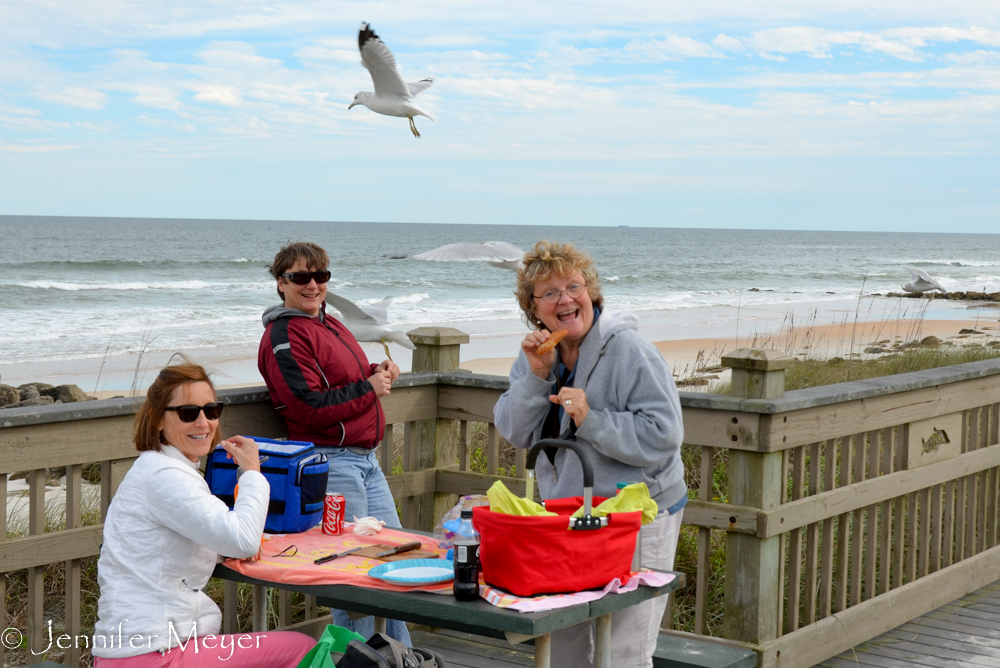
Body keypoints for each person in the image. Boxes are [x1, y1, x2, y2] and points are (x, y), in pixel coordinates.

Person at [494, 241, 687, 668]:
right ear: (534, 308)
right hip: (568, 516)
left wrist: (592, 419)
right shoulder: (537, 355)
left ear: (591, 292)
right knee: (562, 642)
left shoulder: (630, 350)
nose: (565, 299)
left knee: (622, 651)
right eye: (550, 293)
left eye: (573, 286)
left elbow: (664, 435)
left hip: (635, 516)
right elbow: (514, 430)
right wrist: (535, 378)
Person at [92, 362, 315, 667]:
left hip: (145, 647)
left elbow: (212, 535)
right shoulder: (165, 477)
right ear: (158, 420)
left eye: (211, 410)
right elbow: (242, 541)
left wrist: (227, 544)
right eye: (188, 413)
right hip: (153, 653)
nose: (203, 422)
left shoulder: (157, 468)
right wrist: (251, 473)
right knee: (302, 648)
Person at [257, 241, 410, 645]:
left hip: (366, 460)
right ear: (281, 283)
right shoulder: (284, 335)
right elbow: (306, 407)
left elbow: (345, 379)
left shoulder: (330, 323)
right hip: (332, 464)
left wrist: (377, 370)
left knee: (394, 566)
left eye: (320, 276)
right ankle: (358, 658)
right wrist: (370, 387)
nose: (313, 285)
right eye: (301, 277)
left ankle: (401, 658)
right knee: (354, 579)